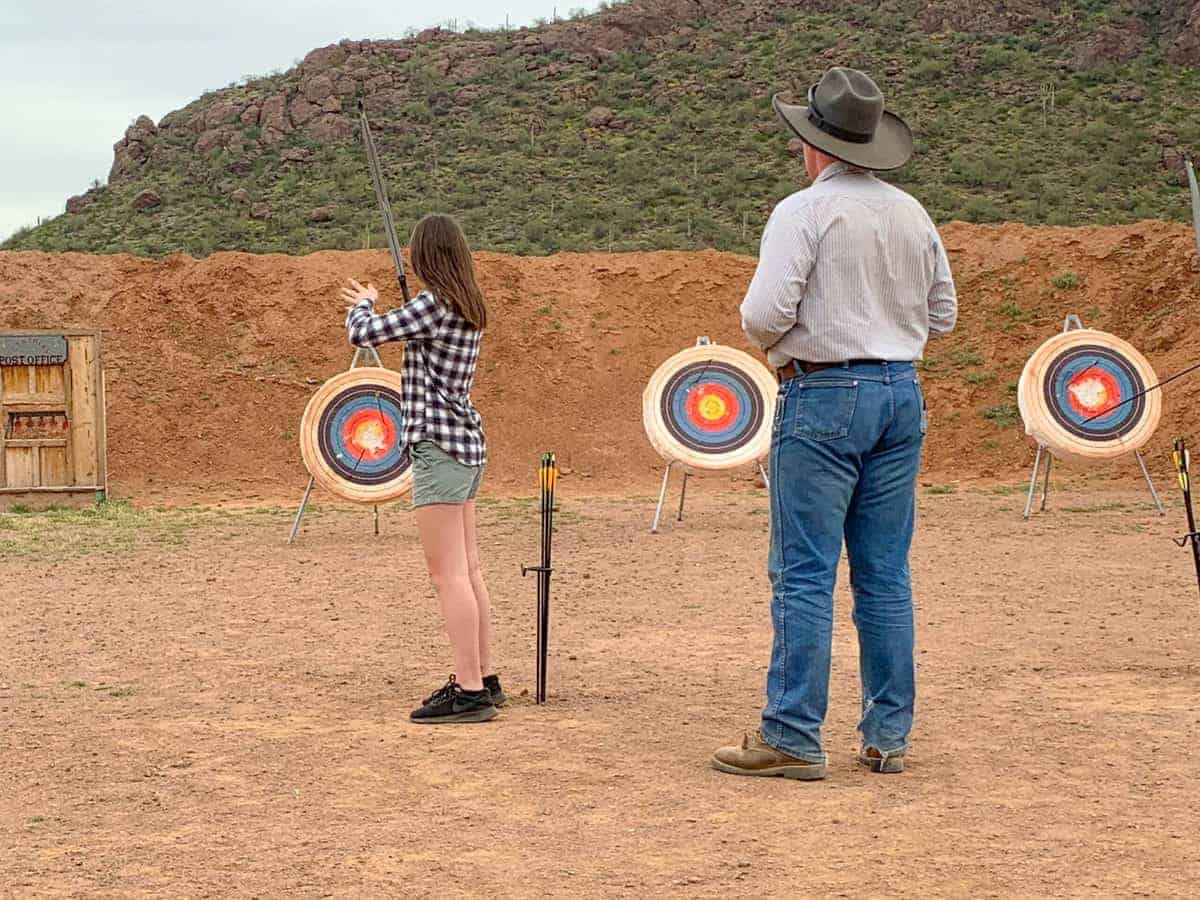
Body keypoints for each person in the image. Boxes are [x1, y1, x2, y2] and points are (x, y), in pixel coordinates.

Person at [711, 67, 958, 780]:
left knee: (805, 573)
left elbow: (761, 316)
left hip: (823, 395)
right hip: (901, 394)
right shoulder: (913, 213)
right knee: (884, 574)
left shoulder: (802, 212)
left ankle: (791, 733)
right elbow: (943, 315)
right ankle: (887, 736)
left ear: (813, 146)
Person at [343, 213, 505, 724]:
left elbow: (363, 333)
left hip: (439, 449)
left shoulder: (432, 304)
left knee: (447, 574)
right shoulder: (464, 303)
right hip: (467, 447)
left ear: (426, 256)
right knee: (469, 569)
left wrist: (366, 301)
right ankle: (484, 676)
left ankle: (470, 690)